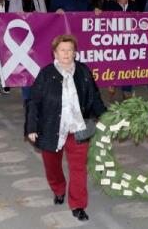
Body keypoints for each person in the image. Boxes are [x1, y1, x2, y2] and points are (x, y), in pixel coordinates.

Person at [26, 34, 106, 222]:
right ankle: (58, 188)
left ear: (75, 53)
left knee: (79, 168)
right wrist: (31, 127)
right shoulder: (45, 74)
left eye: (70, 50)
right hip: (51, 127)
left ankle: (78, 205)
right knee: (52, 166)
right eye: (62, 50)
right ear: (55, 53)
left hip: (80, 127)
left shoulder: (83, 71)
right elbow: (33, 103)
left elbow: (94, 98)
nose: (67, 54)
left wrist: (106, 117)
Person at [102, 0, 139, 99]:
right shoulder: (109, 5)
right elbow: (102, 22)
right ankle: (112, 82)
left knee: (128, 64)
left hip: (130, 41)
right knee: (114, 63)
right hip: (114, 40)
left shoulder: (134, 5)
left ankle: (127, 89)